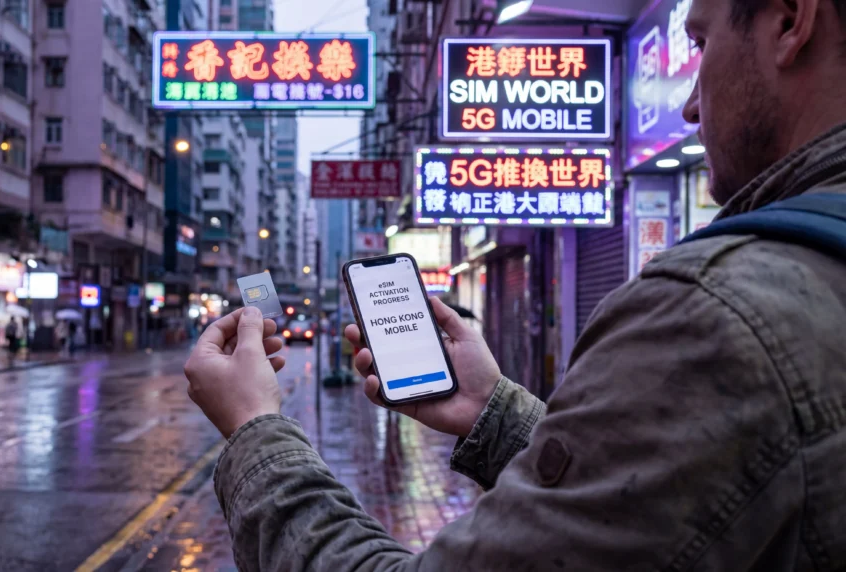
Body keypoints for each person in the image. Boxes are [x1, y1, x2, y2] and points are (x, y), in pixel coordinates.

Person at [183, 0, 846, 568]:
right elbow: (686, 501)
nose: (692, 103)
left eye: (700, 43)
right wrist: (495, 414)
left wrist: (255, 428)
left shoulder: (714, 318)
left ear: (790, 21)